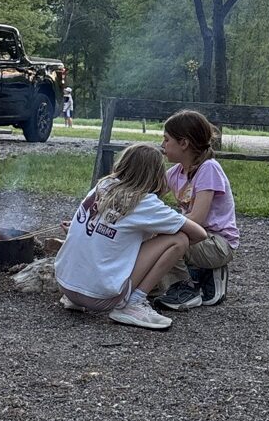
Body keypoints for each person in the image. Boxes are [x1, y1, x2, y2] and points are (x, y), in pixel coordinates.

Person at [55, 143, 208, 330]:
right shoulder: (144, 202)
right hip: (99, 297)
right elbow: (200, 234)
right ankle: (133, 303)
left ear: (123, 163)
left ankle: (78, 297)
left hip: (66, 285)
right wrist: (160, 236)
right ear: (156, 174)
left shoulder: (103, 185)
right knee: (179, 239)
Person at [153, 110, 239, 310]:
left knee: (166, 239)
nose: (162, 145)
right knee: (152, 235)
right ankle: (199, 276)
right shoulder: (176, 172)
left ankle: (187, 288)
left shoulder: (208, 169)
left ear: (184, 143)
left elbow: (197, 218)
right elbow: (150, 195)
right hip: (197, 238)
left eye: (166, 139)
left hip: (217, 243)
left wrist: (158, 225)